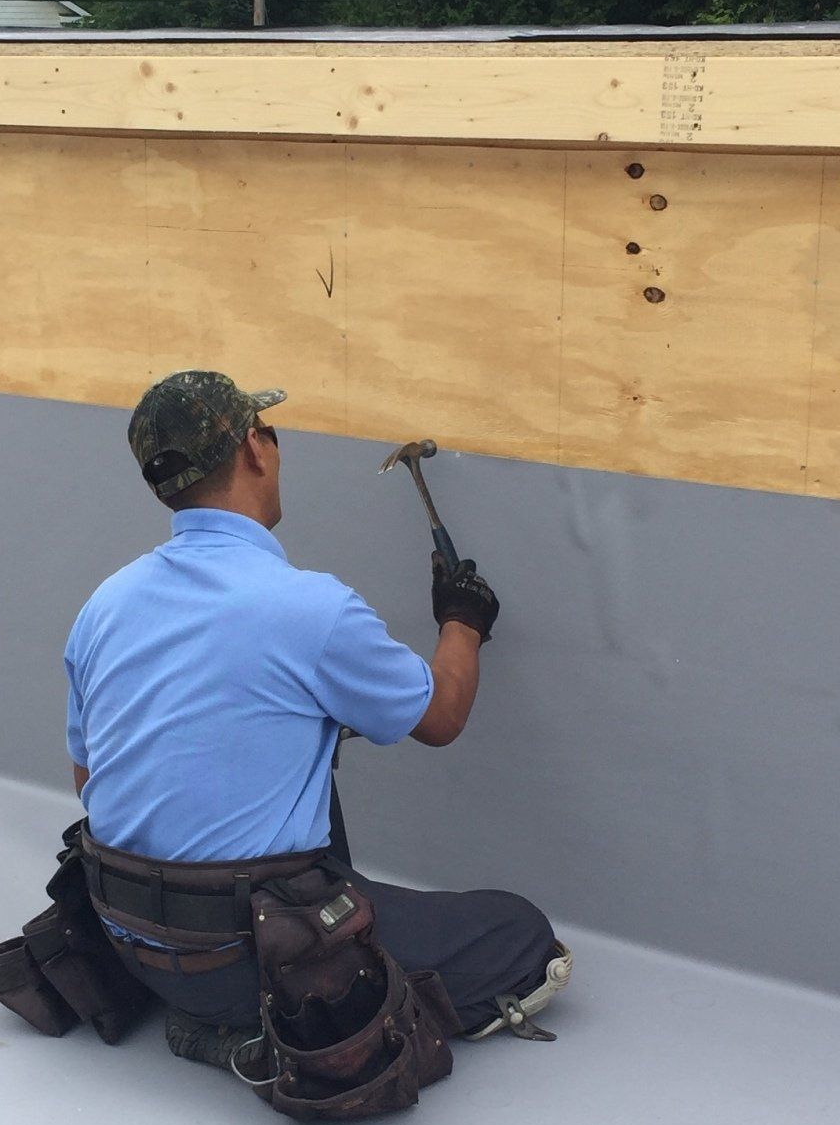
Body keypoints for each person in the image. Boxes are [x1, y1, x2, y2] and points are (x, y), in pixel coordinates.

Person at [63, 370, 570, 1074]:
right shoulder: (309, 609)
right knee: (521, 936)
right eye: (270, 432)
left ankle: (209, 1004)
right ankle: (269, 1021)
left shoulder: (106, 605)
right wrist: (463, 620)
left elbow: (91, 778)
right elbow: (442, 716)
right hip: (260, 959)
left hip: (133, 942)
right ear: (252, 448)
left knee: (312, 742)